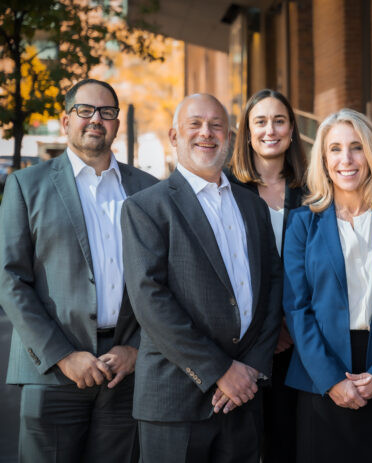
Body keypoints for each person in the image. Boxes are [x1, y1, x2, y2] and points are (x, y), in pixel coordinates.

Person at [0, 78, 158, 462]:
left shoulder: (149, 190)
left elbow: (163, 282)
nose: (95, 119)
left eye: (106, 112)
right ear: (65, 120)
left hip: (124, 372)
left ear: (117, 123)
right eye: (84, 110)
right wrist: (63, 355)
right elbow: (10, 279)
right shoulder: (26, 184)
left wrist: (136, 350)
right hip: (51, 370)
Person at [121, 93, 283, 462]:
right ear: (174, 136)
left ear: (229, 136)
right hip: (176, 400)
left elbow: (273, 286)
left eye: (216, 126)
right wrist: (220, 370)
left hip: (244, 394)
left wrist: (252, 368)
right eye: (194, 124)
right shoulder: (147, 207)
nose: (206, 133)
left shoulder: (252, 205)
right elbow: (150, 299)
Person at [283, 108, 372, 463]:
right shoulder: (302, 223)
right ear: (323, 158)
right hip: (323, 378)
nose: (346, 159)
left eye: (356, 147)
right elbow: (297, 309)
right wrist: (331, 380)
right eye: (334, 149)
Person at [228, 88, 306, 463]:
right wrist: (268, 328)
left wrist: (291, 324)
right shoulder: (225, 187)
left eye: (279, 120)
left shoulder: (313, 188)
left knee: (289, 445)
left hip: (302, 340)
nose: (270, 130)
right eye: (260, 121)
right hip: (244, 345)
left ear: (292, 129)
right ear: (246, 130)